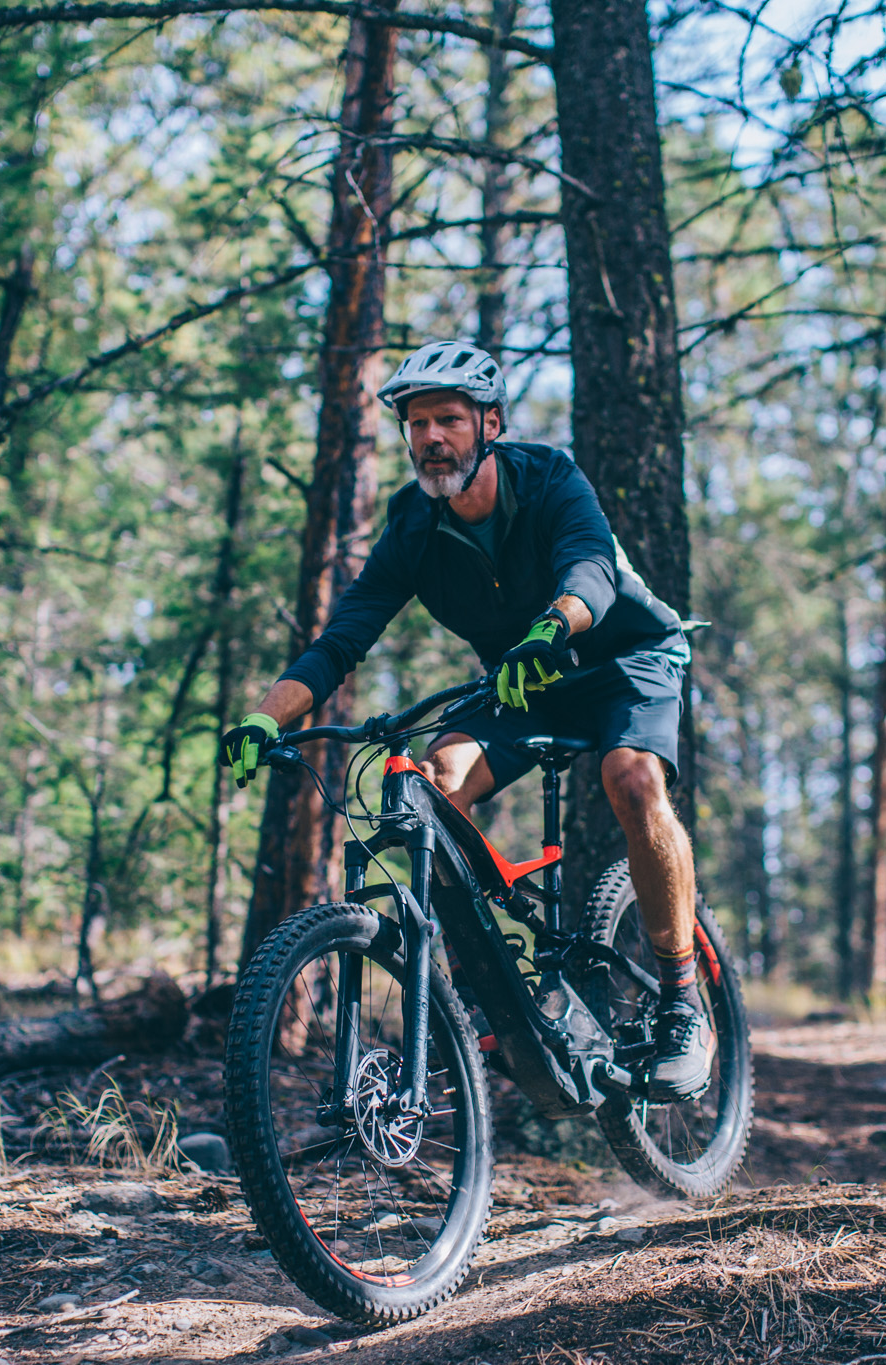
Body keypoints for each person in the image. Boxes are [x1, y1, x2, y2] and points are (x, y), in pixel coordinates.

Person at [218, 341, 711, 1102]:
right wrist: (263, 716)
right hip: (524, 678)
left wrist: (554, 625)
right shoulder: (414, 527)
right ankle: (488, 983)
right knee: (431, 783)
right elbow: (341, 640)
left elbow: (591, 569)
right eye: (417, 424)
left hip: (622, 657)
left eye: (448, 419)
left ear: (491, 424)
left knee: (632, 776)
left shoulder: (549, 479)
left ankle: (683, 999)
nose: (430, 438)